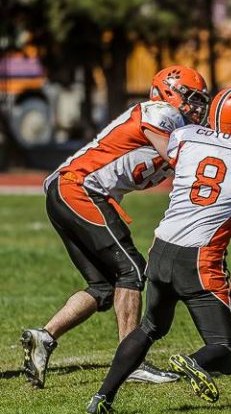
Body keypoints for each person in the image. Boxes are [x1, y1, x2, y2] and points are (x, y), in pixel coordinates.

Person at [86, 85, 231, 414]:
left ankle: (102, 397)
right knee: (228, 353)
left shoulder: (187, 137)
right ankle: (194, 363)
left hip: (162, 248)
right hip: (200, 259)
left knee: (149, 327)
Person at [22, 65, 209, 388]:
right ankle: (131, 360)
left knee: (104, 288)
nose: (196, 107)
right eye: (190, 98)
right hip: (80, 189)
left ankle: (45, 336)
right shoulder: (161, 113)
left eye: (199, 101)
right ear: (168, 93)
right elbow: (183, 162)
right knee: (133, 271)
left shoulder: (175, 126)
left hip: (70, 192)